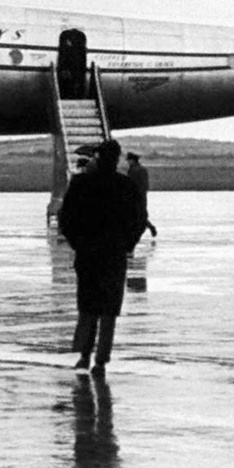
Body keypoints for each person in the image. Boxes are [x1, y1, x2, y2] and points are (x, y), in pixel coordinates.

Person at [59, 140, 147, 378]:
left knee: (88, 307)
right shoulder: (125, 185)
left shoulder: (81, 183)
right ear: (117, 158)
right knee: (109, 310)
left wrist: (79, 244)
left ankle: (85, 354)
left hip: (88, 254)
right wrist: (127, 244)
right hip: (114, 254)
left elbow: (66, 219)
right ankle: (101, 359)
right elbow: (140, 219)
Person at [124, 153, 159, 239]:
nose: (128, 162)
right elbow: (145, 184)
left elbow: (130, 184)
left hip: (134, 196)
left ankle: (149, 228)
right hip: (142, 195)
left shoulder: (133, 170)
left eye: (128, 160)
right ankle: (149, 227)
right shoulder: (143, 169)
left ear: (132, 160)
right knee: (140, 214)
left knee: (135, 215)